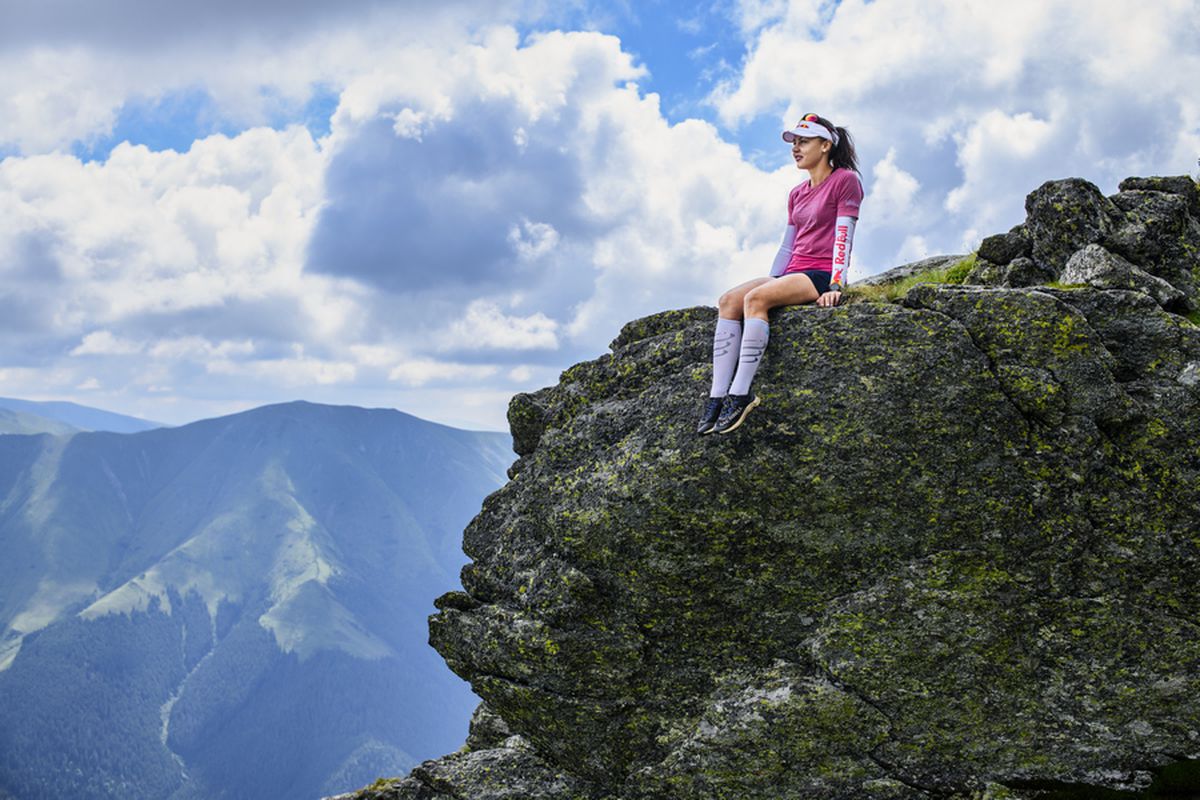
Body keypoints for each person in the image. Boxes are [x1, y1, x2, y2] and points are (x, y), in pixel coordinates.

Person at [697, 113, 863, 435]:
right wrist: (774, 279)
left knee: (756, 299)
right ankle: (717, 397)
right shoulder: (796, 193)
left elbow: (844, 235)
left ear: (826, 145)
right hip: (792, 272)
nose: (796, 148)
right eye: (794, 142)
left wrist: (836, 284)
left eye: (804, 142)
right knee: (730, 300)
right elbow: (788, 247)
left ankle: (740, 394)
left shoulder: (845, 181)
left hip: (818, 274)